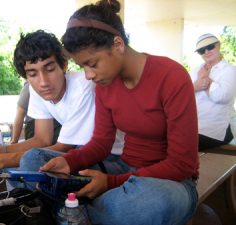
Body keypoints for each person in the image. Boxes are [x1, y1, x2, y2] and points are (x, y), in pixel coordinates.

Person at [20, 1, 199, 225]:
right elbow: (100, 144)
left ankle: (70, 212)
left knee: (147, 203)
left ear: (117, 44)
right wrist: (69, 162)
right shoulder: (105, 84)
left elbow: (183, 164)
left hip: (168, 182)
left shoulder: (172, 76)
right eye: (83, 66)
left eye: (92, 64)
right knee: (33, 159)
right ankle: (80, 213)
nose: (88, 75)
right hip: (122, 167)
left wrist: (112, 183)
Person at [0, 30, 123, 184]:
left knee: (30, 161)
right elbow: (42, 139)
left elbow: (65, 147)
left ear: (63, 65)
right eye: (33, 74)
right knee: (17, 168)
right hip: (78, 153)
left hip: (110, 157)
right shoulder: (37, 91)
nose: (43, 82)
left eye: (49, 69)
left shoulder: (83, 88)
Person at [190, 33, 236, 150]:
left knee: (178, 145)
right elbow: (180, 96)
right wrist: (194, 87)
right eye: (201, 50)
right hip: (193, 126)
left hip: (216, 130)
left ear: (219, 45)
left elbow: (222, 97)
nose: (206, 52)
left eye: (210, 47)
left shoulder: (230, 70)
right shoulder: (196, 71)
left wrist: (206, 80)